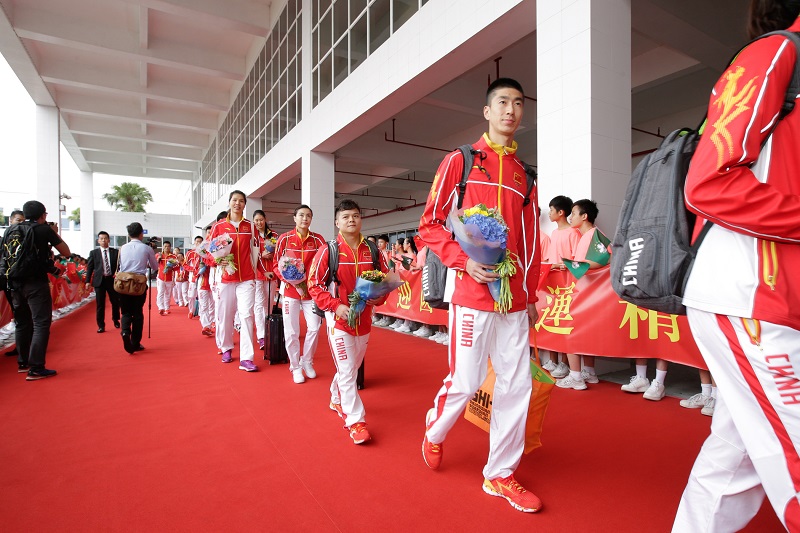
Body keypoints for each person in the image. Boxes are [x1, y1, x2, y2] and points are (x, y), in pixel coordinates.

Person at [671, 3, 800, 530]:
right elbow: (708, 183)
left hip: (776, 299)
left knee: (735, 459)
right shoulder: (775, 55)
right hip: (749, 292)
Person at [418, 78, 542, 513]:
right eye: (503, 102)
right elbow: (430, 224)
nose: (511, 110)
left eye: (518, 104)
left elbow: (530, 243)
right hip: (471, 292)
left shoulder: (527, 176)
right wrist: (462, 260)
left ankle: (501, 473)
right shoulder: (462, 161)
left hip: (513, 300)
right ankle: (434, 431)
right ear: (488, 112)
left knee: (517, 384)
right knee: (467, 380)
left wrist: (532, 293)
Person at [308, 199, 391, 445]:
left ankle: (336, 397)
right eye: (345, 217)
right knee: (347, 371)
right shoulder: (329, 250)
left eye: (355, 215)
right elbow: (314, 284)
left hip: (364, 319)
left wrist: (379, 297)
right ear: (337, 223)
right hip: (339, 320)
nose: (351, 220)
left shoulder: (373, 250)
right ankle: (355, 421)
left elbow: (385, 279)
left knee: (352, 367)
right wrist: (336, 306)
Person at [4, 201, 70, 379]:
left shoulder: (10, 230)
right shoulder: (43, 229)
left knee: (22, 322)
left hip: (15, 283)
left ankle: (23, 363)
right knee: (41, 323)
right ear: (43, 215)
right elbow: (66, 252)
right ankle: (36, 367)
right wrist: (53, 233)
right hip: (35, 283)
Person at [554, 199, 609, 391]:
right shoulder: (585, 235)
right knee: (583, 332)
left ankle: (576, 376)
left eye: (574, 214)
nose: (570, 217)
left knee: (570, 330)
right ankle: (589, 372)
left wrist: (573, 265)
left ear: (584, 216)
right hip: (584, 291)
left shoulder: (594, 234)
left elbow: (604, 258)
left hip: (587, 293)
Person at [273, 204, 325, 384]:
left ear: (311, 219)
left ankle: (307, 361)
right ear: (294, 218)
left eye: (308, 216)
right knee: (292, 332)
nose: (305, 218)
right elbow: (275, 265)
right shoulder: (284, 239)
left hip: (311, 293)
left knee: (314, 327)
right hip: (290, 292)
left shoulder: (318, 240)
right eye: (301, 215)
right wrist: (291, 281)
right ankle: (295, 366)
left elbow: (322, 265)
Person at [209, 191, 258, 372]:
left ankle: (247, 358)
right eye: (234, 200)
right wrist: (216, 260)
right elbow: (208, 250)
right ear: (229, 203)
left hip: (246, 278)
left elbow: (257, 249)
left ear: (245, 204)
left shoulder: (250, 226)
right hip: (226, 277)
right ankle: (226, 347)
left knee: (246, 315)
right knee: (226, 314)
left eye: (241, 201)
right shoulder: (219, 226)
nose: (237, 203)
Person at [542, 195, 578, 375]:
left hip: (568, 286)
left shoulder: (573, 233)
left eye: (551, 210)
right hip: (553, 286)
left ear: (561, 212)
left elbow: (576, 261)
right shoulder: (554, 234)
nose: (549, 213)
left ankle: (565, 363)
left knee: (565, 323)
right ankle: (553, 360)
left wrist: (561, 265)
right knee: (551, 321)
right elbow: (549, 259)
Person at [116, 222, 158, 354]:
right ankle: (135, 342)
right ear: (141, 234)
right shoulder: (147, 249)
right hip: (138, 283)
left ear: (129, 234)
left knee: (126, 312)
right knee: (138, 313)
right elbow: (155, 267)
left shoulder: (123, 248)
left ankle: (125, 331)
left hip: (123, 283)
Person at [84, 231, 120, 333]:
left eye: (105, 238)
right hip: (99, 281)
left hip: (112, 280)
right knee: (100, 304)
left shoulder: (115, 252)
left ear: (109, 240)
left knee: (115, 301)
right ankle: (101, 325)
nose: (103, 240)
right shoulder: (93, 253)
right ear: (98, 240)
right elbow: (90, 268)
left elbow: (119, 266)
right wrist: (87, 281)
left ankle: (116, 319)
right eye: (101, 238)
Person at [252, 209, 277, 350]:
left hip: (271, 274)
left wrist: (271, 256)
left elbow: (280, 254)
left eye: (261, 220)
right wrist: (261, 255)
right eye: (256, 220)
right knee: (259, 304)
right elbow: (249, 256)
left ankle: (268, 331)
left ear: (265, 219)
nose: (259, 223)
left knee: (268, 304)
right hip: (257, 275)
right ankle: (261, 336)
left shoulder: (273, 236)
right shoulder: (252, 237)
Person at [3, 210, 25, 357]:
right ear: (10, 221)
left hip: (24, 282)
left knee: (23, 316)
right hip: (9, 281)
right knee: (19, 316)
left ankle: (23, 348)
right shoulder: (5, 238)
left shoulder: (27, 237)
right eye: (18, 220)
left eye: (23, 221)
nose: (21, 224)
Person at [155, 241, 176, 315]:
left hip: (169, 277)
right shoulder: (159, 255)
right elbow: (154, 264)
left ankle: (167, 308)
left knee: (168, 293)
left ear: (170, 247)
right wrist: (158, 259)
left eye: (168, 246)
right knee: (160, 292)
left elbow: (176, 267)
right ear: (163, 247)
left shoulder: (173, 256)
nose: (166, 248)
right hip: (161, 277)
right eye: (165, 246)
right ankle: (161, 307)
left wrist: (172, 267)